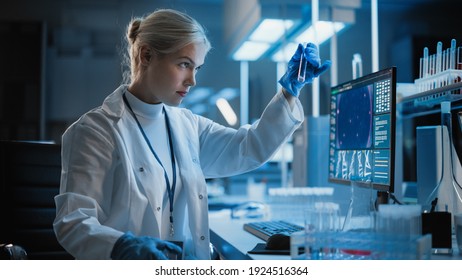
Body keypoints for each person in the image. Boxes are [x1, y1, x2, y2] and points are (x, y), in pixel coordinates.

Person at [53, 8, 330, 260]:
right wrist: (120, 246)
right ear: (146, 55)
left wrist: (288, 93)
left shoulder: (187, 125)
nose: (193, 80)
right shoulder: (95, 131)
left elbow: (248, 147)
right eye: (184, 64)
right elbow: (74, 221)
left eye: (196, 68)